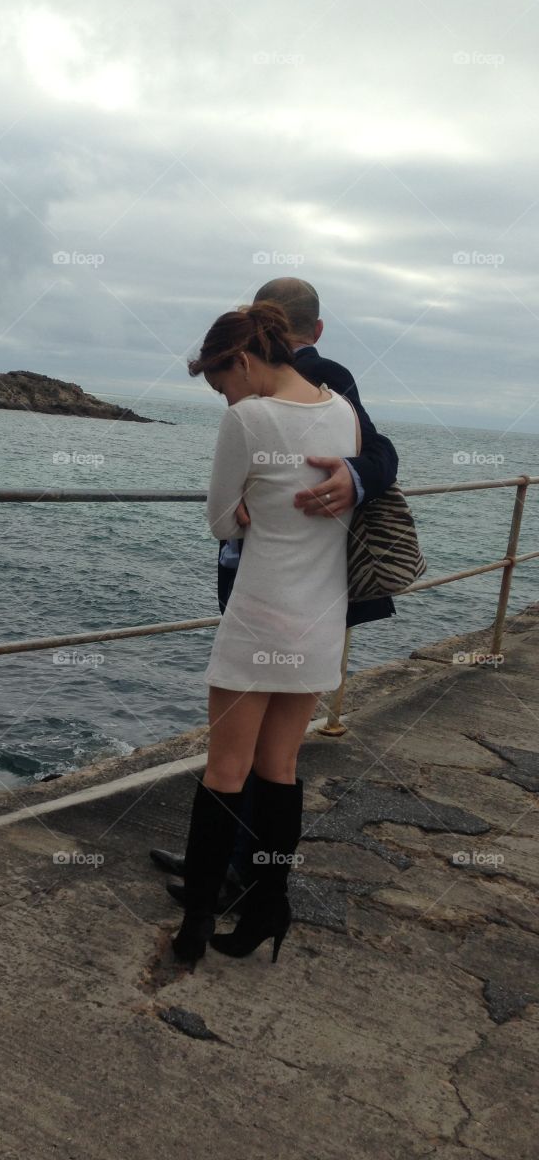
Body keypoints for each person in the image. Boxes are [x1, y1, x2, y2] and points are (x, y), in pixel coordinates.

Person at [151, 277, 398, 916]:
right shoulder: (328, 403)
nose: (220, 396)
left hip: (265, 598)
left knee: (231, 768)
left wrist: (355, 477)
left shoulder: (277, 401)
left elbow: (225, 519)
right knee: (276, 765)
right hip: (313, 605)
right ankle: (263, 903)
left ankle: (210, 907)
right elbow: (360, 443)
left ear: (250, 346)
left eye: (220, 381)